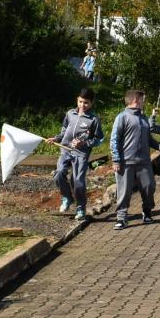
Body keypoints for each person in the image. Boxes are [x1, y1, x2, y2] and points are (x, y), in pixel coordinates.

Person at [46, 88, 104, 221]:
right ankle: (67, 197)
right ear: (77, 99)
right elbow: (64, 130)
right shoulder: (70, 113)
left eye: (86, 103)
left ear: (92, 103)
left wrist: (84, 143)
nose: (82, 105)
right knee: (59, 173)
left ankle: (81, 208)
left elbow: (98, 139)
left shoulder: (94, 119)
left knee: (78, 181)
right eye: (80, 101)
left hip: (81, 154)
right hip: (65, 149)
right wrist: (56, 138)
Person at [111, 90, 160, 230]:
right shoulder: (122, 117)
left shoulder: (144, 118)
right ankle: (121, 218)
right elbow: (114, 139)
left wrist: (159, 146)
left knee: (149, 186)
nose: (143, 102)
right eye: (142, 99)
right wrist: (116, 159)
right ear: (136, 101)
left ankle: (147, 212)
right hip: (125, 162)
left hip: (144, 161)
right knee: (124, 191)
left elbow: (148, 139)